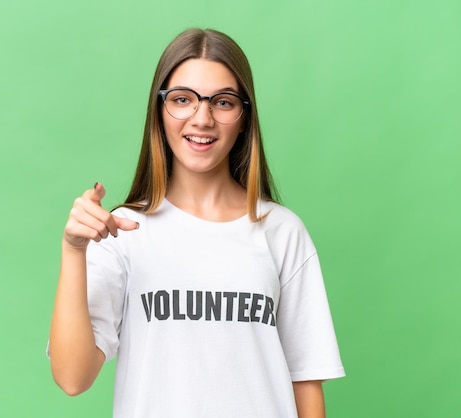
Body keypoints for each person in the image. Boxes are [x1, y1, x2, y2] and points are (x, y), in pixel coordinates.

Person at [48, 28, 345, 418]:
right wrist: (74, 249)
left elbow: (306, 382)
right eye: (183, 99)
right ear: (160, 111)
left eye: (222, 102)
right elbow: (72, 378)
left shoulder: (283, 231)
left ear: (243, 117)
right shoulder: (122, 231)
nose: (201, 118)